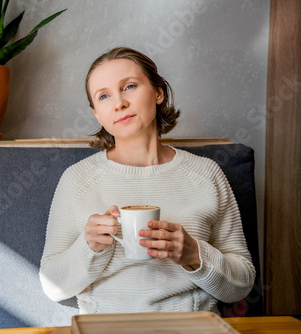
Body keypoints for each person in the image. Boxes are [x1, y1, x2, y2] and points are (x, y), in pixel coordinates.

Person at [39, 47, 255, 314]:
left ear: (158, 93)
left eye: (129, 86)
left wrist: (193, 255)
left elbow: (242, 284)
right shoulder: (76, 179)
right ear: (97, 114)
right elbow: (52, 287)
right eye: (104, 96)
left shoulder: (206, 174)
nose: (119, 103)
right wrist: (89, 247)